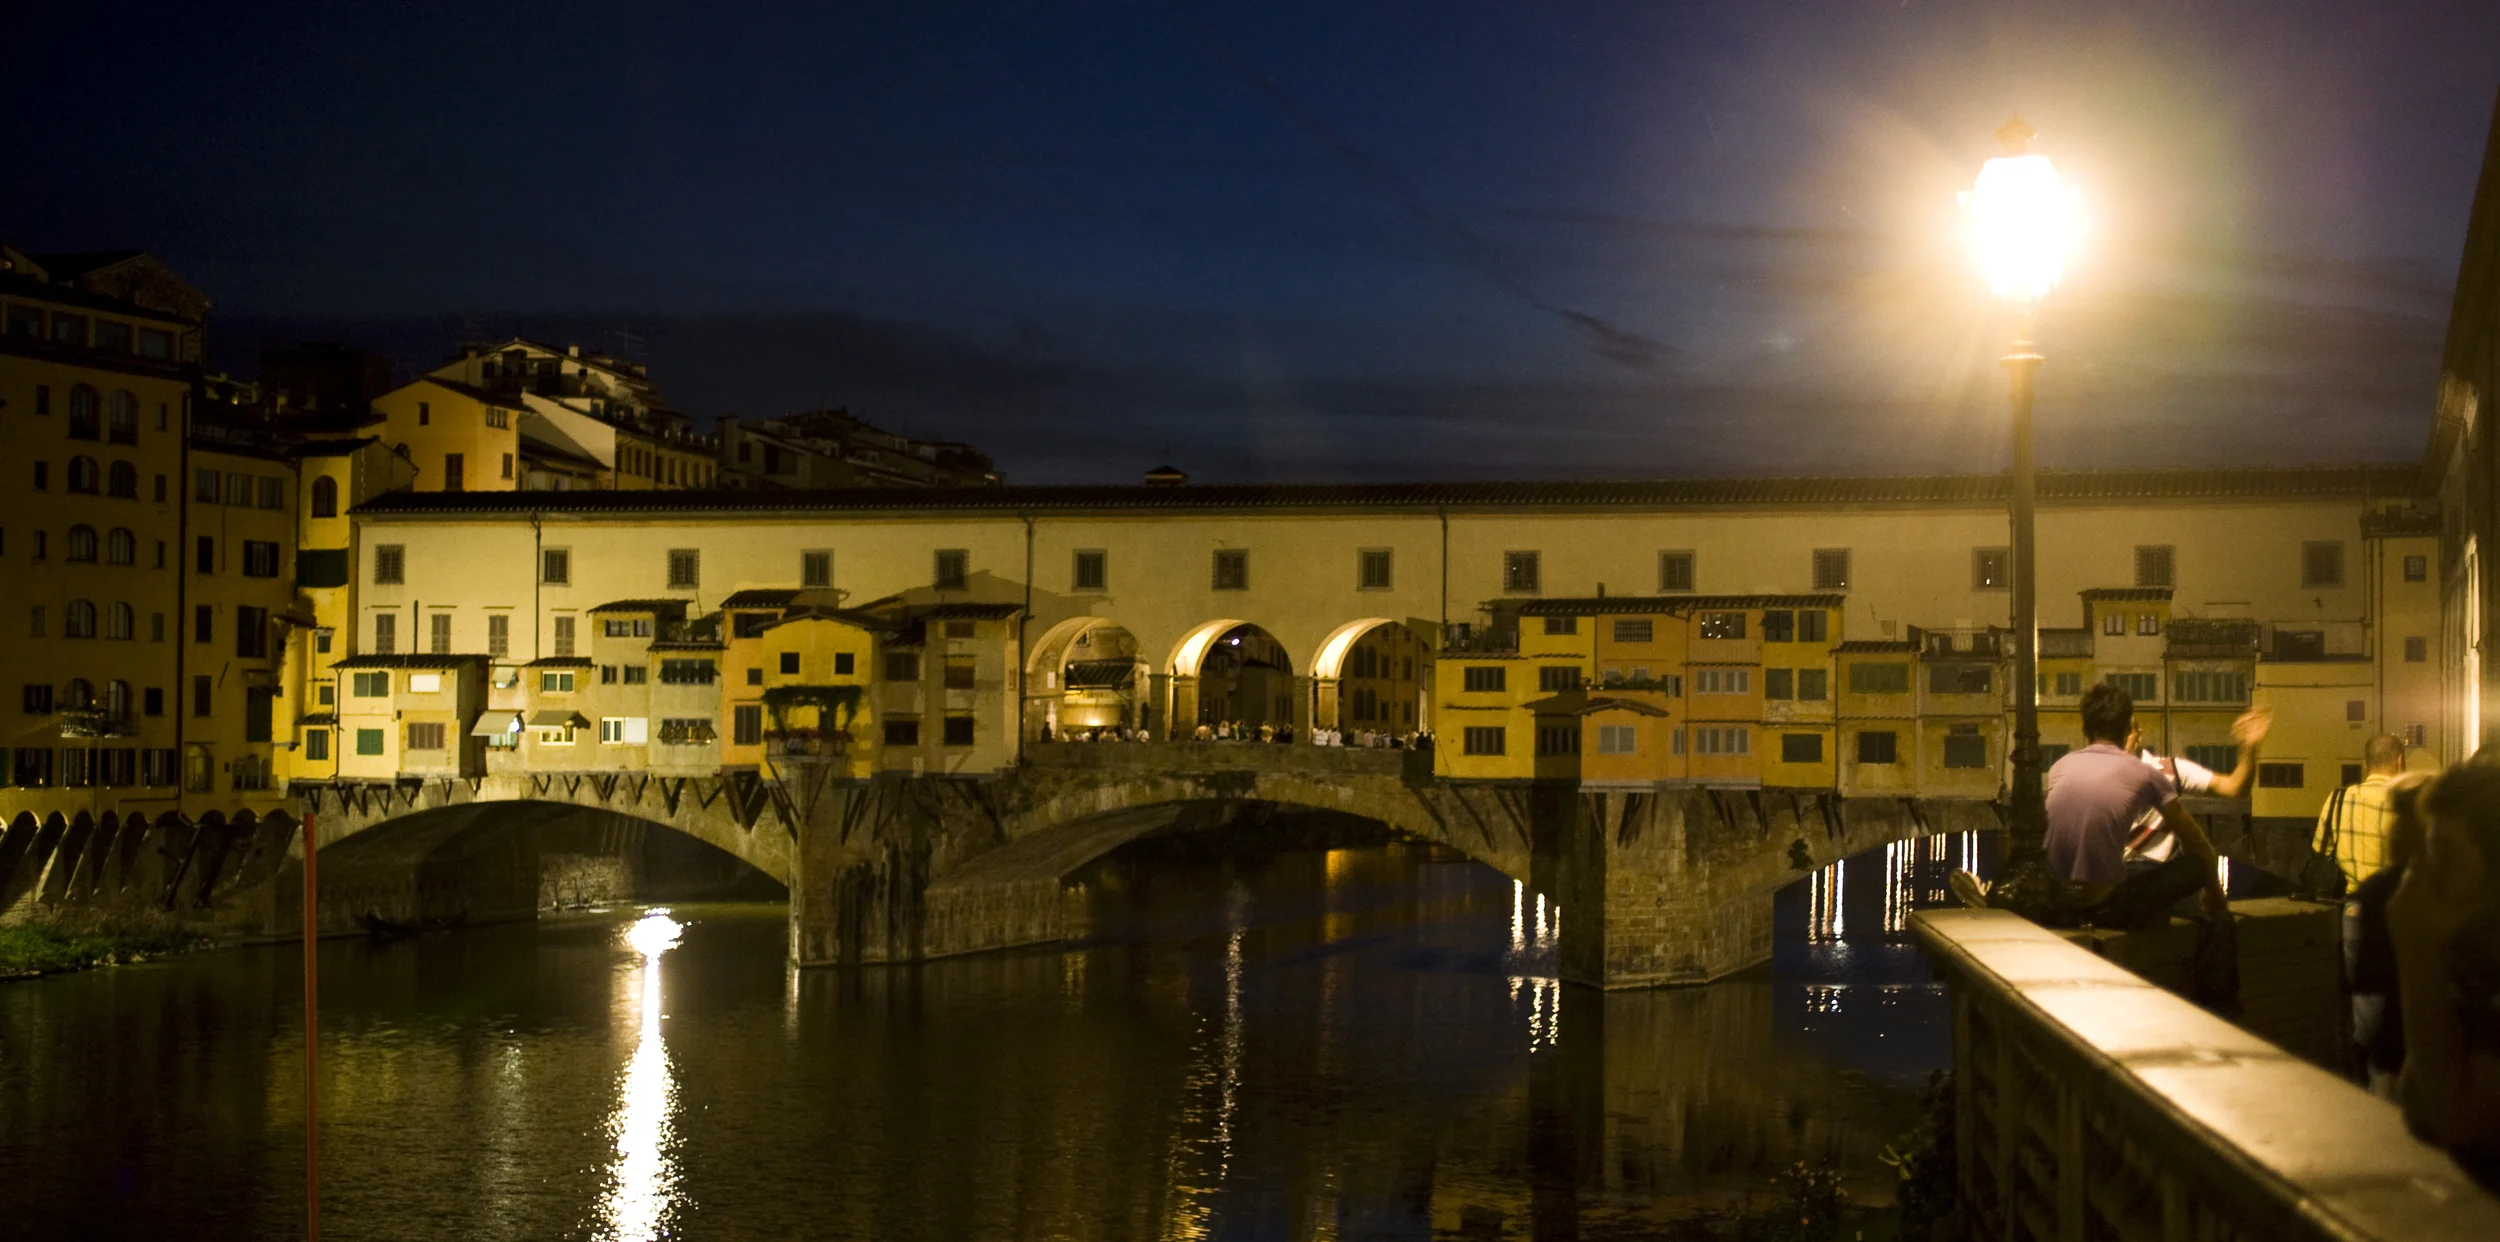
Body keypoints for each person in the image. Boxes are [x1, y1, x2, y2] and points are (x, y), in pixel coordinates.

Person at [1955, 683, 2229, 929]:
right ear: (2126, 730)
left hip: (2057, 892)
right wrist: (2214, 892)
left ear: (2085, 729)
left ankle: (2014, 898)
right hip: (2106, 906)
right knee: (2193, 866)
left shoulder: (2061, 766)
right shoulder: (2146, 774)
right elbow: (2196, 841)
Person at [2393, 758, 2500, 1188]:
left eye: (2445, 858)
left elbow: (2457, 1118)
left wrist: (2417, 950)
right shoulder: (2478, 969)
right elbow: (2418, 1101)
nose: (2424, 878)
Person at [2346, 771, 2433, 1098]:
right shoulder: (2463, 890)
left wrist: (2359, 1043)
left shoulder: (2377, 893)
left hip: (2394, 1051)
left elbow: (2368, 984)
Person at [2122, 706, 2272, 867]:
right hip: (2110, 877)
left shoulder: (2169, 770)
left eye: (2127, 730)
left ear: (2139, 734)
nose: (2122, 738)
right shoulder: (2093, 772)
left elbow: (2235, 788)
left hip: (2156, 872)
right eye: (2115, 732)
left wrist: (2249, 748)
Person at [2317, 734, 2414, 893]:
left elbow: (2321, 849)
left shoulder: (2338, 799)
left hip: (2353, 902)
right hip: (2395, 903)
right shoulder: (2407, 803)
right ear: (2400, 761)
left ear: (2365, 764)